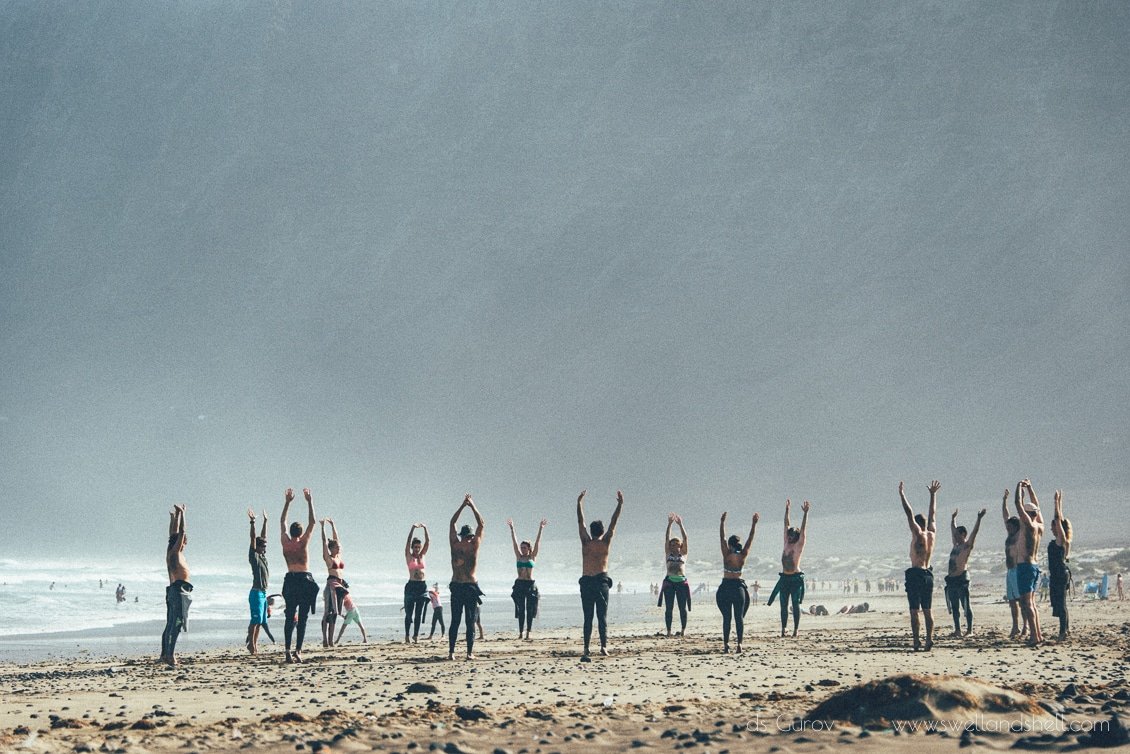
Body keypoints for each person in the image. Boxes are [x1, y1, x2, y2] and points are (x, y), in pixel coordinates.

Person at [577, 489, 623, 661]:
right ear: (602, 531)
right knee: (601, 616)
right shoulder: (605, 542)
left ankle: (587, 648)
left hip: (588, 581)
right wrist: (620, 504)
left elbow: (580, 522)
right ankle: (603, 646)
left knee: (588, 617)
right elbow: (614, 522)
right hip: (600, 581)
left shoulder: (585, 543)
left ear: (591, 530)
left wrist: (579, 503)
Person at [899, 480, 939, 651]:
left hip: (916, 574)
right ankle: (929, 639)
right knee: (928, 610)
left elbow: (909, 512)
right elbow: (933, 515)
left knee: (914, 611)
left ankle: (917, 641)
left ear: (917, 524)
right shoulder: (932, 534)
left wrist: (902, 494)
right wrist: (933, 495)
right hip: (928, 574)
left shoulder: (918, 534)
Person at [280, 487, 319, 663]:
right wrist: (309, 501)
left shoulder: (286, 543)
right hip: (303, 579)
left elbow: (282, 522)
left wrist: (287, 502)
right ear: (301, 532)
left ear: (291, 532)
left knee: (290, 617)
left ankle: (288, 651)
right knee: (302, 618)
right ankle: (298, 650)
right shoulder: (303, 542)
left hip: (290, 579)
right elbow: (313, 522)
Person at [448, 494, 485, 660]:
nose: (468, 539)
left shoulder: (473, 546)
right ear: (462, 536)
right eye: (467, 536)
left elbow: (481, 524)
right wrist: (464, 506)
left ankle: (469, 652)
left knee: (470, 621)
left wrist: (470, 506)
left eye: (469, 537)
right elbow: (452, 523)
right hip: (457, 585)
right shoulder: (455, 545)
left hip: (470, 586)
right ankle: (451, 652)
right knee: (455, 621)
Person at [716, 511, 758, 653]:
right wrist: (754, 524)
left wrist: (722, 523)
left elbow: (722, 538)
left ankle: (727, 645)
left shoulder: (726, 555)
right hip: (738, 587)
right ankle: (739, 644)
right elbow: (750, 540)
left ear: (730, 545)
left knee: (727, 618)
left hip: (726, 586)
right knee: (738, 617)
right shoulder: (742, 556)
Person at [767, 499, 809, 637]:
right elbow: (786, 524)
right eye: (788, 535)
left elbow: (803, 531)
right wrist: (787, 510)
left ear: (795, 537)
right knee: (783, 605)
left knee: (795, 604)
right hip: (784, 578)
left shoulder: (798, 545)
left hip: (795, 578)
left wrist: (805, 514)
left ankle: (796, 629)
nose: (789, 537)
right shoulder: (786, 542)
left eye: (791, 536)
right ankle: (784, 628)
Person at [944, 506, 985, 637]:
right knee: (954, 606)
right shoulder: (955, 546)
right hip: (952, 580)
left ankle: (970, 630)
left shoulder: (966, 546)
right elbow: (952, 530)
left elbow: (975, 532)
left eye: (957, 534)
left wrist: (978, 519)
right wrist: (953, 519)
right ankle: (957, 630)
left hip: (962, 578)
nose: (954, 536)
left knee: (965, 605)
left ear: (963, 534)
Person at [160, 504, 193, 667]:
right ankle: (170, 655)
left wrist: (175, 517)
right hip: (179, 590)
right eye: (183, 542)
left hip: (175, 589)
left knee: (171, 623)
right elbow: (180, 533)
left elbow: (172, 534)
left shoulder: (170, 553)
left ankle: (164, 653)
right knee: (177, 623)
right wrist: (183, 514)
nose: (184, 543)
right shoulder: (175, 553)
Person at [1014, 480, 1044, 646]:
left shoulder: (1029, 525)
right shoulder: (1040, 525)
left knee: (1027, 603)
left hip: (1025, 566)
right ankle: (1037, 634)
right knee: (1031, 603)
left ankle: (1034, 636)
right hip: (1034, 566)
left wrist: (1019, 486)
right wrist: (1030, 488)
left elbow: (1017, 503)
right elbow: (1037, 505)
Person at [508, 517, 546, 640]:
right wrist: (512, 529)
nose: (522, 549)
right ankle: (520, 632)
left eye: (524, 547)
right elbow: (514, 542)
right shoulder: (519, 557)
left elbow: (537, 543)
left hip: (530, 584)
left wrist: (541, 529)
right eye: (521, 547)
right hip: (520, 584)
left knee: (530, 609)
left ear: (528, 548)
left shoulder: (532, 557)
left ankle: (528, 632)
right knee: (521, 609)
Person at [658, 513, 691, 637]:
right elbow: (666, 538)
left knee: (683, 608)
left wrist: (680, 524)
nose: (673, 546)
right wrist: (669, 524)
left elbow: (686, 538)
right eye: (671, 545)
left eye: (675, 544)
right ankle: (669, 631)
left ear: (680, 545)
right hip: (670, 582)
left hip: (682, 582)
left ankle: (683, 630)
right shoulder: (668, 554)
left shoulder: (683, 554)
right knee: (669, 608)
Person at [319, 518, 348, 648]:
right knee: (328, 613)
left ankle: (331, 639)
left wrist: (333, 525)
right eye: (337, 546)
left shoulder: (338, 556)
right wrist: (322, 527)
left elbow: (337, 538)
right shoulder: (329, 558)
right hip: (331, 585)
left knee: (335, 614)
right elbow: (324, 543)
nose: (339, 547)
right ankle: (325, 639)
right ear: (332, 548)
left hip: (340, 586)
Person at [1002, 488, 1027, 639]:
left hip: (1018, 570)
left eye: (1011, 526)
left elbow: (1023, 520)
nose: (1008, 528)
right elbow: (1005, 516)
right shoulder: (1009, 535)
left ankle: (1025, 626)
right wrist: (1004, 500)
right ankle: (1015, 626)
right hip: (1010, 571)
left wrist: (1021, 500)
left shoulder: (1020, 535)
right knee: (1012, 602)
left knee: (1022, 601)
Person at [1048, 489, 1073, 640]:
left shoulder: (1061, 540)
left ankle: (1062, 632)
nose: (1051, 529)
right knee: (1059, 603)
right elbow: (1060, 520)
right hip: (1058, 574)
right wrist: (1060, 501)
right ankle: (1066, 629)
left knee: (1061, 603)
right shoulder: (1061, 539)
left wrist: (1056, 503)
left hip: (1060, 574)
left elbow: (1058, 520)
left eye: (1053, 527)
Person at [246, 507, 270, 655]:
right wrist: (253, 522)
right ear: (258, 547)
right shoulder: (254, 556)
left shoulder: (263, 556)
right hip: (256, 593)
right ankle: (252, 645)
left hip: (263, 593)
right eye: (263, 546)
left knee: (260, 622)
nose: (265, 548)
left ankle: (254, 644)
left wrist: (266, 521)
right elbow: (254, 538)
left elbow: (263, 537)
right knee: (255, 621)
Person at [404, 523, 431, 643]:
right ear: (412, 547)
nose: (417, 549)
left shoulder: (422, 556)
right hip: (412, 586)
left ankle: (415, 635)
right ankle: (407, 635)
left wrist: (425, 528)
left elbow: (428, 541)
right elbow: (408, 541)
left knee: (418, 613)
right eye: (415, 547)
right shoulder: (409, 556)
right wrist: (412, 528)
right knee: (409, 614)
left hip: (422, 586)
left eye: (418, 547)